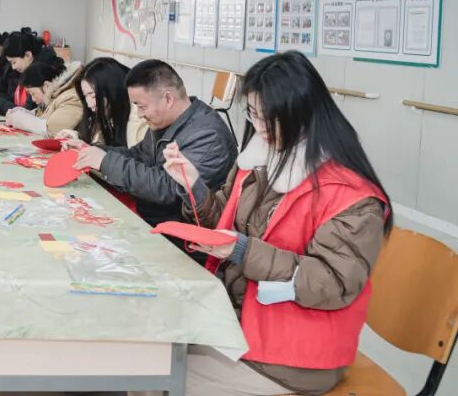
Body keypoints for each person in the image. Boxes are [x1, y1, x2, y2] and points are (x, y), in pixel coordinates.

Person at [163, 51, 390, 396]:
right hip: (237, 322)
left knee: (158, 378)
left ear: (303, 111)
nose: (260, 127)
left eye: (270, 117)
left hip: (294, 352)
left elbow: (333, 282)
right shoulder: (258, 160)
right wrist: (193, 185)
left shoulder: (352, 197)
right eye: (253, 114)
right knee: (147, 357)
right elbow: (224, 221)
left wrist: (242, 251)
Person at [73, 59, 238, 230]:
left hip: (180, 233)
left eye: (141, 106)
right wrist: (91, 151)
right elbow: (138, 155)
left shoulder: (207, 136)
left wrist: (106, 162)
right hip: (153, 217)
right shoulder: (166, 122)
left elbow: (169, 189)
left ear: (168, 99)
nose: (139, 114)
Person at [56, 57, 148, 149]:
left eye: (93, 96)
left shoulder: (138, 118)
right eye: (85, 96)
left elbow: (131, 155)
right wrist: (77, 137)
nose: (89, 104)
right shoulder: (107, 113)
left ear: (112, 91)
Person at [5, 59, 83, 136]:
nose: (33, 99)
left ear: (46, 86)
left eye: (33, 93)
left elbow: (53, 129)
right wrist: (29, 113)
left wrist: (20, 119)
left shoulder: (71, 97)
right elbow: (47, 115)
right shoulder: (54, 95)